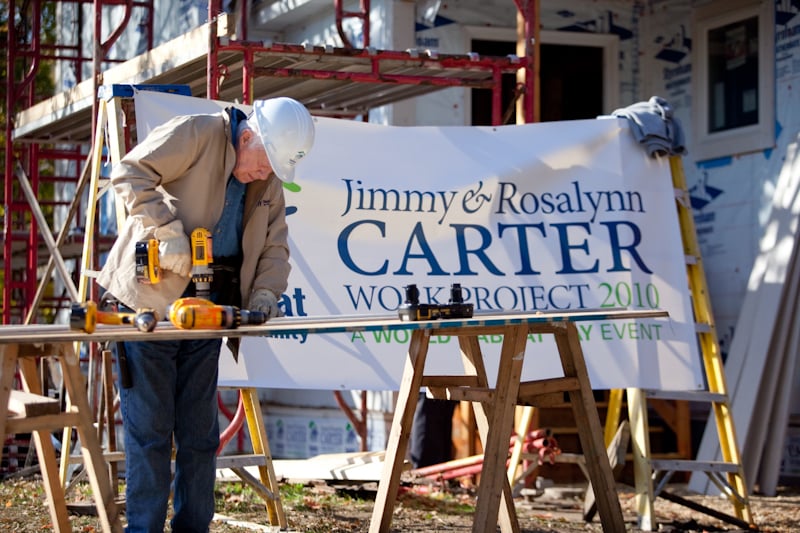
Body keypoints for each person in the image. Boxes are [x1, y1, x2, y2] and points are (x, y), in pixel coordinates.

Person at [97, 96, 315, 532]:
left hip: (206, 310)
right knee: (152, 433)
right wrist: (166, 230)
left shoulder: (264, 175)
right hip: (149, 306)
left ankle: (193, 528)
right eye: (265, 162)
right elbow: (128, 172)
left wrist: (268, 292)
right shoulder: (197, 133)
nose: (266, 173)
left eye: (273, 167)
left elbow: (275, 245)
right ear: (247, 136)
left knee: (199, 435)